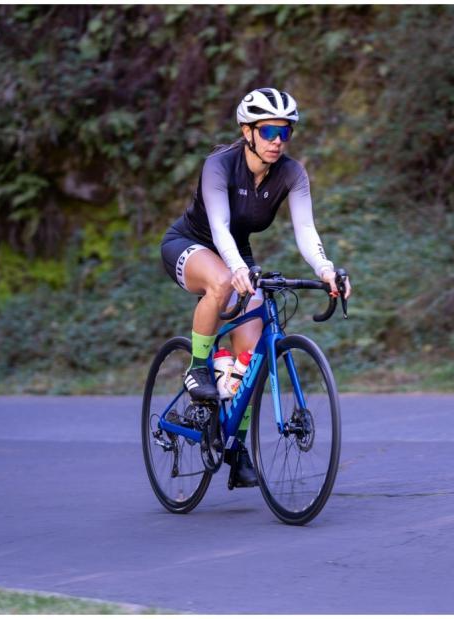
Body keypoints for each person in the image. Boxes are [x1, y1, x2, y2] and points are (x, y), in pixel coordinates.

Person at [160, 87, 351, 485]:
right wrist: (235, 269)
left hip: (236, 253)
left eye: (285, 131)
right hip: (192, 243)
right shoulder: (219, 165)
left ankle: (235, 448)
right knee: (222, 283)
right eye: (268, 131)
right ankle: (198, 368)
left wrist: (326, 269)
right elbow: (219, 227)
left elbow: (305, 229)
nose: (277, 140)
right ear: (247, 131)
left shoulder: (292, 174)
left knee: (251, 354)